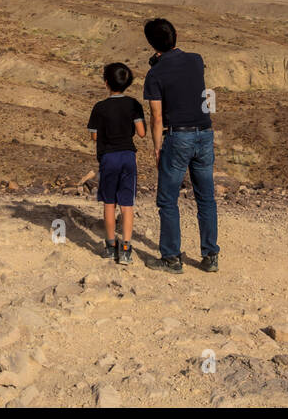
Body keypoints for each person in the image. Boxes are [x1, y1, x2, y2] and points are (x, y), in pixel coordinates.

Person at [143, 17, 218, 274]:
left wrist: (156, 147)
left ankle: (171, 258)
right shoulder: (196, 60)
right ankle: (210, 256)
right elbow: (185, 75)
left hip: (178, 137)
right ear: (175, 36)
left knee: (167, 200)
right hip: (205, 134)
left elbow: (156, 116)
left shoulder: (154, 74)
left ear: (151, 43)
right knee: (206, 198)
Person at [86, 62, 145, 265]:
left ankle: (111, 246)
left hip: (108, 157)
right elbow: (142, 132)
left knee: (109, 203)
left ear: (106, 83)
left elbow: (94, 136)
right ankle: (127, 248)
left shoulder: (100, 107)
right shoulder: (133, 104)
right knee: (127, 205)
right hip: (128, 156)